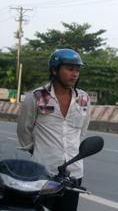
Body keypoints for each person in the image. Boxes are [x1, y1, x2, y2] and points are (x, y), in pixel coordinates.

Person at [17, 49, 91, 211]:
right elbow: (24, 130)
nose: (75, 74)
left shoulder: (83, 98)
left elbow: (82, 132)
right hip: (43, 171)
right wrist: (38, 152)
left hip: (74, 172)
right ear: (54, 70)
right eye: (70, 69)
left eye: (77, 70)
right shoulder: (36, 96)